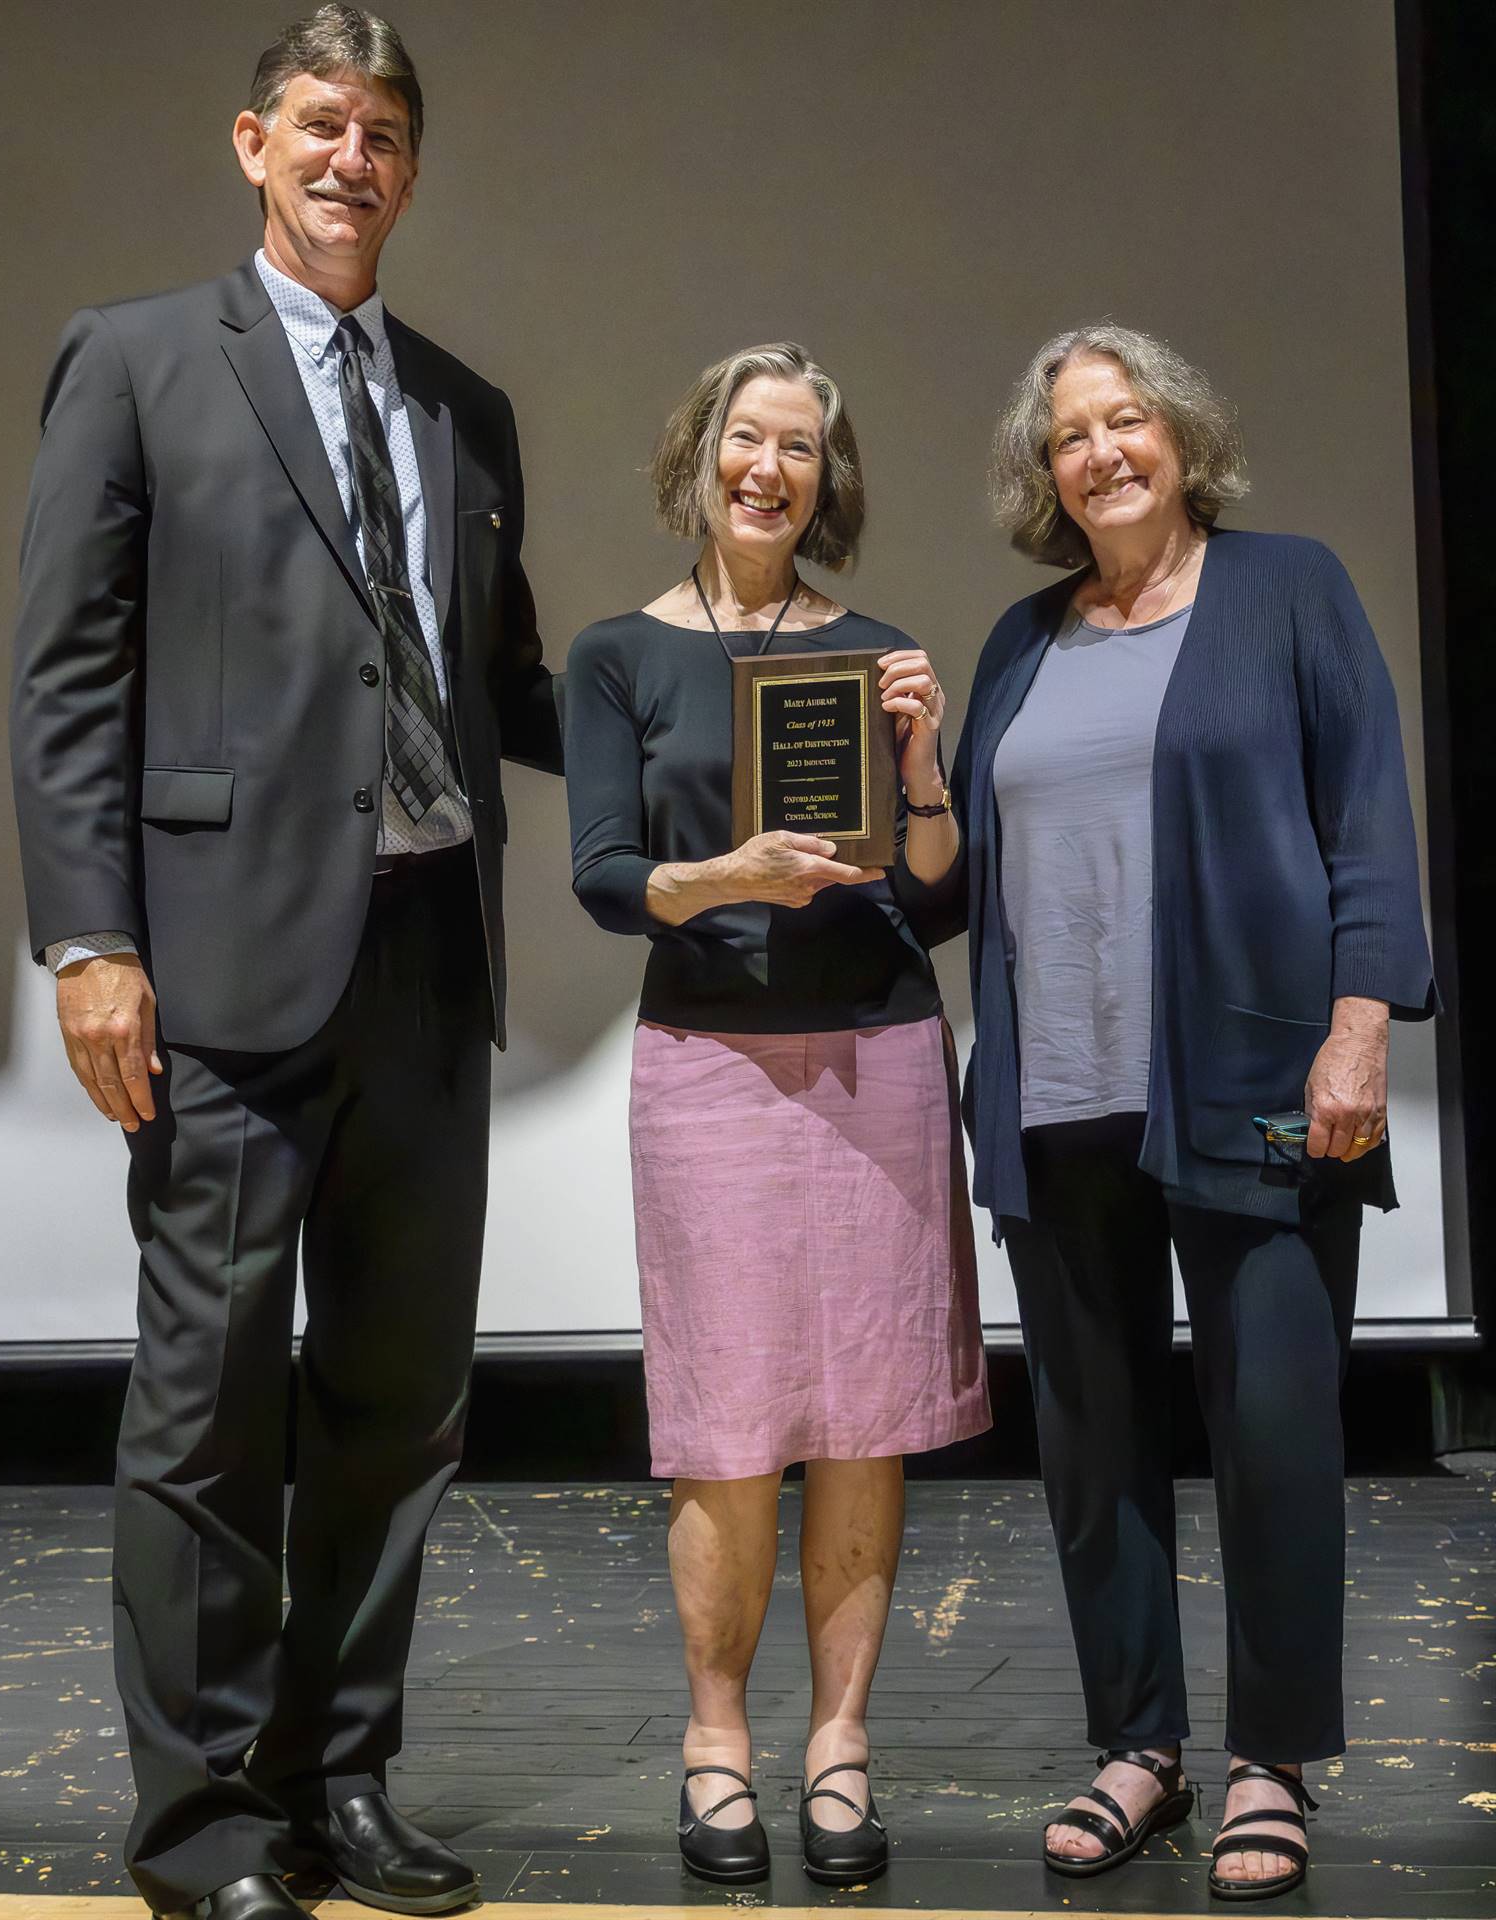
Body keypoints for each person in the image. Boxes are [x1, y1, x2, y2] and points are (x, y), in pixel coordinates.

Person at [9, 9, 560, 1916]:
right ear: (255, 142)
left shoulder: (465, 410)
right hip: (224, 970)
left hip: (424, 967)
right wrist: (89, 938)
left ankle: (344, 1782)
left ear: (412, 166)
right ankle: (204, 1826)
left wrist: (731, 702)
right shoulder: (142, 360)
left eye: (388, 131)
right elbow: (67, 675)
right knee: (209, 1409)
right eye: (323, 123)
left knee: (399, 1413)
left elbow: (509, 697)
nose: (356, 157)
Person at [924, 324, 1435, 1900]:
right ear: (1044, 475)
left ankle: (1270, 1760)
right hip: (1055, 1105)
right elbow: (949, 882)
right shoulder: (1021, 642)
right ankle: (1138, 1744)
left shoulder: (1288, 589)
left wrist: (1360, 1035)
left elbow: (1366, 817)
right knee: (1092, 1446)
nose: (1101, 454)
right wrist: (900, 771)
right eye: (1068, 437)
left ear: (1179, 435)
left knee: (1275, 1425)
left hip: (1270, 1089)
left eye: (1124, 420)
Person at [562, 343, 989, 1887]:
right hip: (712, 1064)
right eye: (746, 438)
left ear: (827, 478)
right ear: (699, 456)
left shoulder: (876, 650)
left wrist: (925, 760)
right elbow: (608, 879)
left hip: (877, 1053)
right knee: (728, 1426)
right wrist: (733, 876)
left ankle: (843, 1750)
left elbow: (940, 892)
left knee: (866, 1418)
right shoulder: (616, 654)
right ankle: (719, 1744)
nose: (769, 469)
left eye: (799, 448)